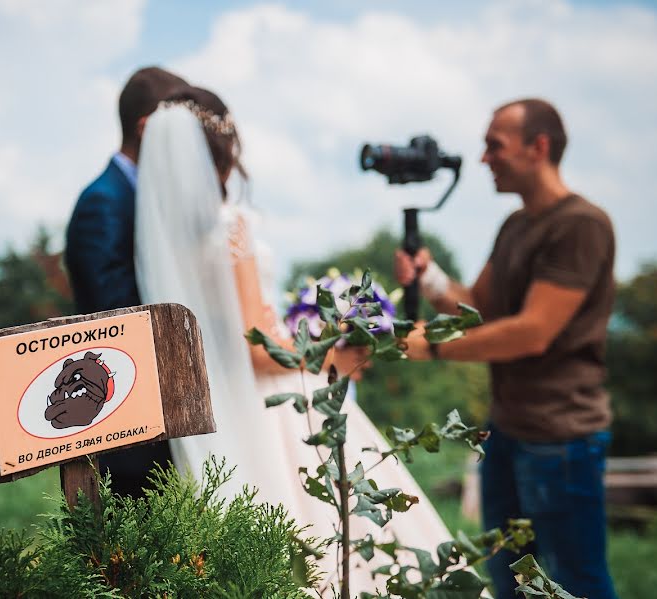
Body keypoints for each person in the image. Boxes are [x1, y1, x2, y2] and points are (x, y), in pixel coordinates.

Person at [134, 87, 454, 595]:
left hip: (221, 402)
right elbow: (261, 350)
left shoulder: (164, 245)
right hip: (273, 400)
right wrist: (335, 348)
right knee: (338, 534)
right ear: (224, 153)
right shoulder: (230, 229)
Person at [396, 98, 618, 599]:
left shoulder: (581, 225)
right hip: (508, 433)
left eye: (494, 146)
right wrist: (428, 277)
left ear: (538, 147)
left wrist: (429, 345)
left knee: (573, 581)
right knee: (511, 578)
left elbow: (531, 331)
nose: (482, 160)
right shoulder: (516, 226)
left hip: (561, 439)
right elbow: (477, 307)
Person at [64, 66, 187, 498]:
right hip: (131, 434)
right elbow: (113, 318)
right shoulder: (104, 202)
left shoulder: (148, 199)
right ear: (147, 127)